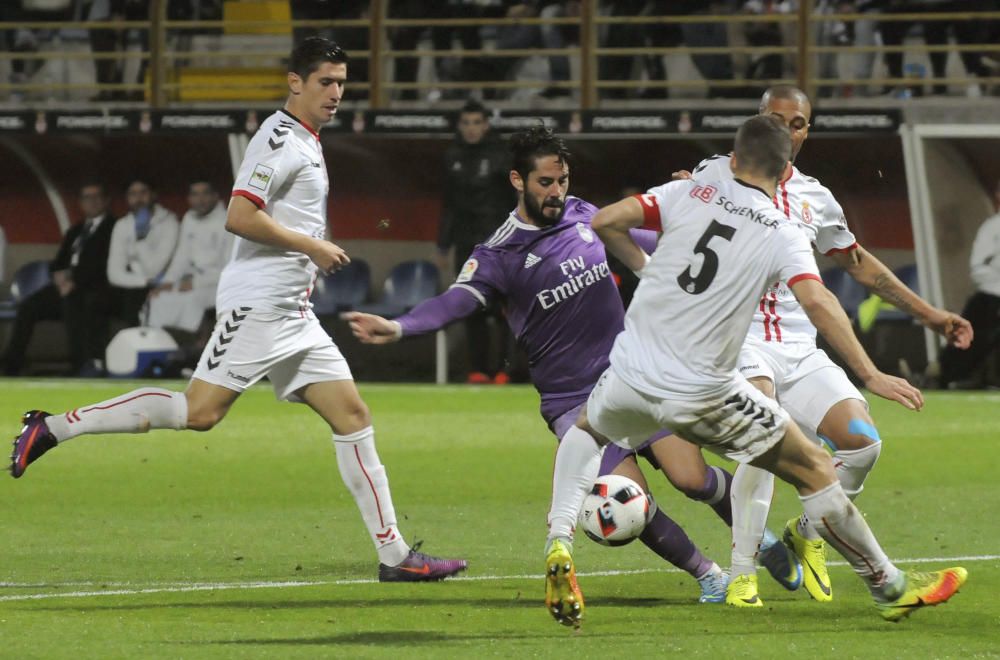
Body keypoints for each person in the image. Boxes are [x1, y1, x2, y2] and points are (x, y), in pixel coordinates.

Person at [10, 37, 466, 583]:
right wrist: (313, 246)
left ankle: (396, 557)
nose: (337, 93)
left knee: (353, 417)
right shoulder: (278, 140)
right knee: (198, 412)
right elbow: (240, 216)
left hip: (293, 313)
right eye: (326, 81)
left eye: (343, 82)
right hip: (258, 305)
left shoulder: (307, 139)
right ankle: (56, 427)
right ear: (295, 82)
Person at [543, 115, 966, 629]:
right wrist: (869, 372)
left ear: (734, 157)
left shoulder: (688, 193)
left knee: (588, 430)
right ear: (785, 166)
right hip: (702, 388)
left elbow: (606, 219)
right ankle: (889, 586)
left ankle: (559, 540)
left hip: (631, 368)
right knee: (813, 466)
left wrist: (647, 269)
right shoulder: (781, 231)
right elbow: (819, 301)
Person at [348, 125, 788, 604]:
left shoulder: (584, 214)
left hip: (635, 375)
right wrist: (399, 327)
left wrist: (694, 207)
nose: (556, 192)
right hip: (574, 400)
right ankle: (710, 576)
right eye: (545, 183)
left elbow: (658, 237)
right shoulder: (499, 253)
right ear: (518, 180)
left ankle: (757, 537)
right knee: (626, 504)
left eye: (562, 181)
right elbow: (455, 302)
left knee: (691, 477)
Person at [678, 85, 973, 607]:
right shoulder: (712, 174)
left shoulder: (815, 196)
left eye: (798, 123)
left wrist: (930, 314)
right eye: (776, 119)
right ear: (756, 121)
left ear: (807, 131)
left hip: (799, 345)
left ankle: (808, 532)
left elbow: (857, 264)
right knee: (764, 428)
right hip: (739, 337)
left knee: (862, 443)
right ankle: (743, 574)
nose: (787, 131)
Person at [437, 100, 517, 384]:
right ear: (460, 126)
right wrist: (443, 244)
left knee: (505, 309)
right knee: (473, 306)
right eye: (466, 123)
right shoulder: (453, 156)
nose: (471, 129)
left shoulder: (501, 156)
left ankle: (505, 370)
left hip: (499, 244)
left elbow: (514, 202)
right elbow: (448, 204)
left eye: (476, 123)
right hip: (466, 244)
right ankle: (479, 370)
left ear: (486, 125)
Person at [1, 182, 116, 377]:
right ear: (81, 203)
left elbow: (104, 263)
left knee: (74, 303)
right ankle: (11, 364)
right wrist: (58, 277)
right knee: (29, 306)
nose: (92, 202)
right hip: (65, 286)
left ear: (105, 200)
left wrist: (74, 281)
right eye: (87, 198)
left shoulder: (114, 227)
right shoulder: (76, 230)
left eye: (96, 197)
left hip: (92, 287)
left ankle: (80, 364)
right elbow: (58, 261)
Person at [146, 179, 232, 342]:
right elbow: (182, 256)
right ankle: (161, 345)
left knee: (192, 300)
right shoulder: (189, 218)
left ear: (215, 196)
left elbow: (230, 268)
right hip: (191, 281)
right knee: (158, 297)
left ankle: (194, 347)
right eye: (195, 195)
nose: (200, 200)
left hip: (219, 284)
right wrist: (168, 282)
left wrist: (196, 283)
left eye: (205, 194)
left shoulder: (227, 220)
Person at [939, 179, 1000, 388]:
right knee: (973, 332)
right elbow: (978, 267)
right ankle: (948, 375)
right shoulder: (992, 227)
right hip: (992, 295)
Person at [107, 178, 180, 327]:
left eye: (143, 193)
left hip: (165, 282)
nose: (138, 198)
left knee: (136, 298)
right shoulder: (122, 225)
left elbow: (154, 269)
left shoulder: (169, 222)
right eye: (133, 194)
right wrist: (144, 281)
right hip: (137, 284)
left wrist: (140, 239)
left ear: (153, 195)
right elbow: (114, 273)